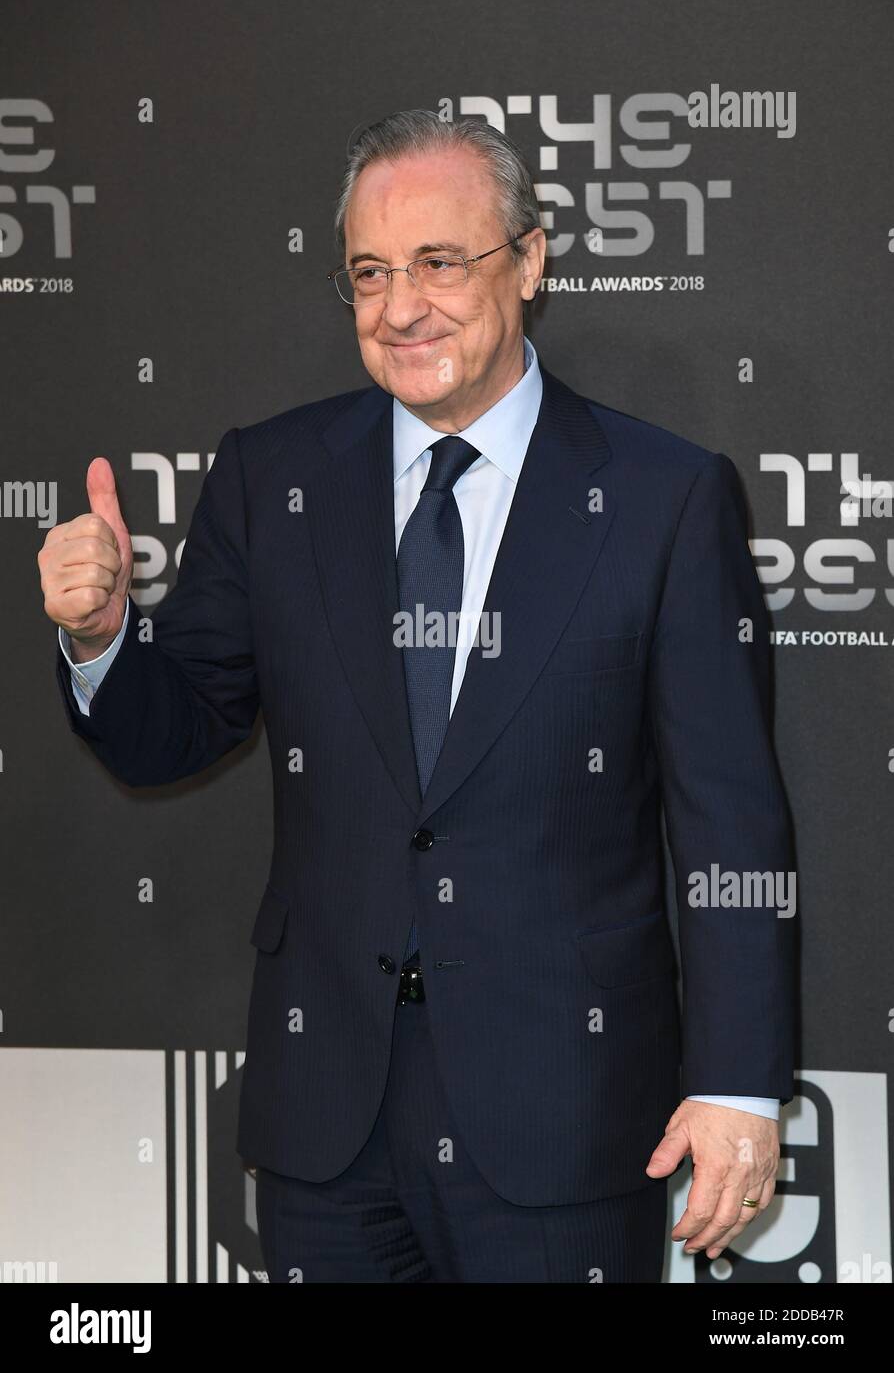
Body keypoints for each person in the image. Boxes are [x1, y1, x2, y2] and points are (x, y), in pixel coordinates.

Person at [38, 109, 796, 1283]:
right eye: (371, 273)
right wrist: (101, 638)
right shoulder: (272, 479)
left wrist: (739, 1081)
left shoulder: (663, 498)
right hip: (326, 1123)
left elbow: (730, 819)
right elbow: (171, 730)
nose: (402, 308)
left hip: (566, 1117)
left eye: (442, 262)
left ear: (532, 260)